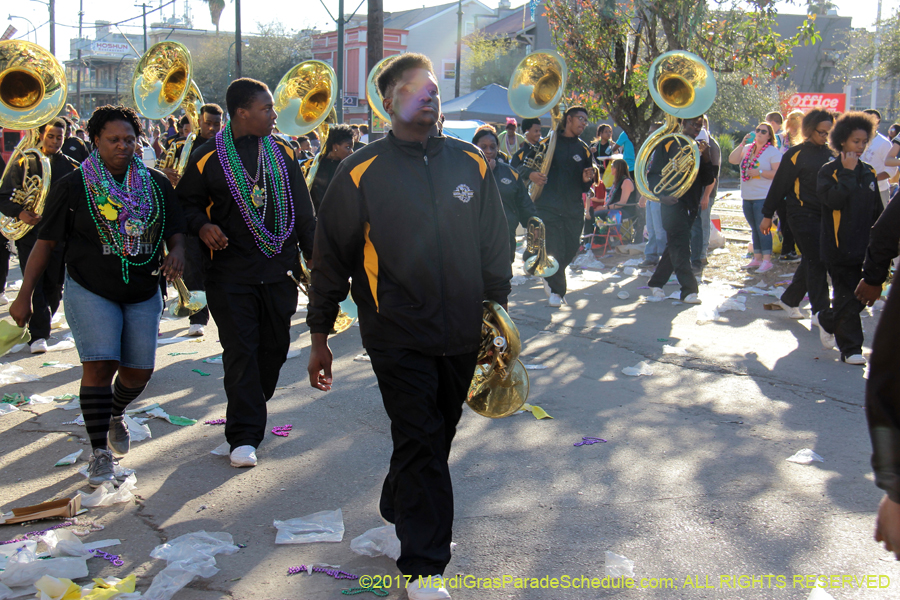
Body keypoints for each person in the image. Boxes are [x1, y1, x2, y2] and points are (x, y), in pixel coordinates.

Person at [307, 53, 510, 600]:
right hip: (396, 334)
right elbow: (329, 260)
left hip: (464, 330)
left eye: (436, 91)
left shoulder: (473, 162)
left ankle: (399, 501)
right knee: (421, 438)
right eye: (417, 91)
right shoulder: (359, 172)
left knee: (436, 434)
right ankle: (423, 567)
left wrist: (499, 312)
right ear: (389, 100)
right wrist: (319, 337)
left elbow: (495, 242)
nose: (431, 99)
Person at [9, 105, 186, 487]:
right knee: (100, 365)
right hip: (90, 288)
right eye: (113, 140)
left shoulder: (156, 183)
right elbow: (46, 242)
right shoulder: (73, 186)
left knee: (139, 372)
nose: (122, 146)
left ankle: (115, 412)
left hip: (142, 288)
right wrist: (25, 295)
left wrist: (178, 250)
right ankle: (99, 453)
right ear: (96, 141)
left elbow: (176, 228)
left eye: (128, 139)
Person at [176, 78, 316, 469]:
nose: (275, 115)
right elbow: (184, 205)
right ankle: (244, 435)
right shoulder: (207, 157)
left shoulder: (285, 152)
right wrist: (202, 225)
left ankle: (249, 408)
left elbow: (304, 214)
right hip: (230, 276)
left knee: (272, 352)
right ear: (242, 112)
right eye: (267, 108)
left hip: (278, 272)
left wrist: (317, 260)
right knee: (241, 352)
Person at [0, 118, 80, 353]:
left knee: (55, 285)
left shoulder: (71, 166)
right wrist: (20, 213)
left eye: (59, 137)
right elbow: (4, 196)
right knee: (34, 281)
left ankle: (43, 321)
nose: (55, 141)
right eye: (50, 136)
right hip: (31, 235)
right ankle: (39, 334)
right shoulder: (24, 162)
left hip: (59, 236)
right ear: (41, 136)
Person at [761, 109, 835, 345]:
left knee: (813, 260)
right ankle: (822, 313)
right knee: (817, 260)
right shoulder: (795, 154)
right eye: (821, 132)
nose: (825, 136)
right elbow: (779, 186)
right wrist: (766, 215)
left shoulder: (834, 154)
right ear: (809, 129)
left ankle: (791, 299)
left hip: (827, 216)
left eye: (829, 132)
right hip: (800, 215)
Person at [815, 112, 882, 365]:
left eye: (864, 142)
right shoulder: (829, 171)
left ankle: (828, 319)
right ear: (842, 141)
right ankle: (852, 349)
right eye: (856, 141)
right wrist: (847, 172)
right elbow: (833, 200)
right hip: (838, 248)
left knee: (861, 297)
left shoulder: (869, 172)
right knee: (845, 294)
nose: (861, 146)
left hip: (865, 249)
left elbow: (878, 213)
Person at [519, 106, 595, 307]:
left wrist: (587, 180)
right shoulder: (546, 143)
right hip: (547, 207)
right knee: (555, 249)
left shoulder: (584, 149)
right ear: (568, 119)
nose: (583, 124)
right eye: (581, 119)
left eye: (586, 121)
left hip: (573, 208)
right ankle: (557, 291)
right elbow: (520, 168)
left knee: (570, 249)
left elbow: (585, 183)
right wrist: (532, 175)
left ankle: (543, 266)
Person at [646, 117, 717, 304]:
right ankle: (689, 290)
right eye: (693, 124)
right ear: (682, 123)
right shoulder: (668, 143)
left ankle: (656, 282)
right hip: (671, 203)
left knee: (675, 245)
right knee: (682, 246)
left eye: (699, 126)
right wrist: (662, 196)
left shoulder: (697, 148)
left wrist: (707, 159)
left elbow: (707, 179)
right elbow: (654, 175)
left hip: (690, 205)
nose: (696, 129)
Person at [473, 125, 536, 263]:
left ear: (498, 148)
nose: (488, 151)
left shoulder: (511, 173)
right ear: (475, 147)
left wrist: (533, 225)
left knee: (502, 281)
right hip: (474, 241)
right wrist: (485, 174)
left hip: (505, 239)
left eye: (492, 147)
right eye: (483, 147)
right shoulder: (465, 171)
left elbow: (523, 203)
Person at [728, 122, 781, 273]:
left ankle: (767, 260)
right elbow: (732, 160)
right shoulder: (747, 149)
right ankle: (757, 258)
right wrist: (741, 144)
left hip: (763, 196)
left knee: (763, 228)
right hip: (747, 195)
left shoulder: (772, 152)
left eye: (763, 132)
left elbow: (778, 173)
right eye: (757, 130)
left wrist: (760, 172)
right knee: (754, 228)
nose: (759, 133)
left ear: (769, 136)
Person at [690, 116, 721, 274]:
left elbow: (712, 175)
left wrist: (706, 195)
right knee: (695, 224)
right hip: (695, 189)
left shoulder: (711, 145)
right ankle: (694, 254)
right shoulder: (691, 141)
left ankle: (701, 255)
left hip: (706, 190)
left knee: (702, 223)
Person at [309, 124, 354, 213]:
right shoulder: (316, 165)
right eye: (348, 147)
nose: (352, 151)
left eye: (352, 147)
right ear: (335, 147)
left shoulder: (348, 166)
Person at [861, 109, 896, 208]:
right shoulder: (856, 140)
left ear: (877, 122)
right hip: (859, 190)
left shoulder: (883, 143)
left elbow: (891, 170)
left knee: (879, 222)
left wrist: (872, 179)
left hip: (880, 190)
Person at [592, 158, 635, 222]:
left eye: (612, 166)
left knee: (595, 215)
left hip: (624, 211)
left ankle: (594, 232)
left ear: (617, 169)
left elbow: (622, 203)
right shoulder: (617, 182)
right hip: (613, 209)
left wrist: (605, 208)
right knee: (591, 213)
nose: (611, 168)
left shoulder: (626, 182)